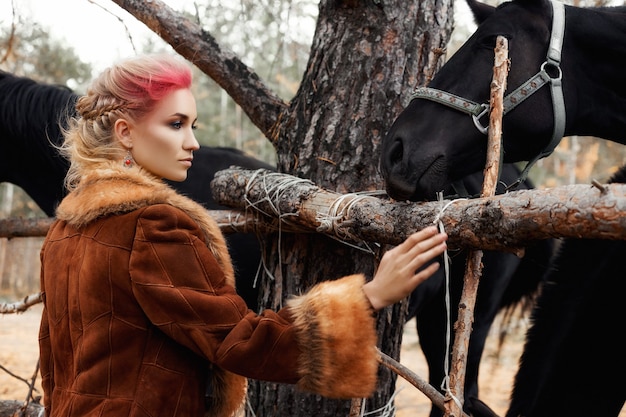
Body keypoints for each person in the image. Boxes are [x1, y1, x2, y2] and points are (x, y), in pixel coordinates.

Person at [38, 54, 448, 417]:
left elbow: (55, 367)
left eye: (192, 126)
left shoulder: (63, 230)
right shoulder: (152, 226)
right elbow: (241, 341)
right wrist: (368, 296)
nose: (193, 142)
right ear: (125, 133)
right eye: (176, 124)